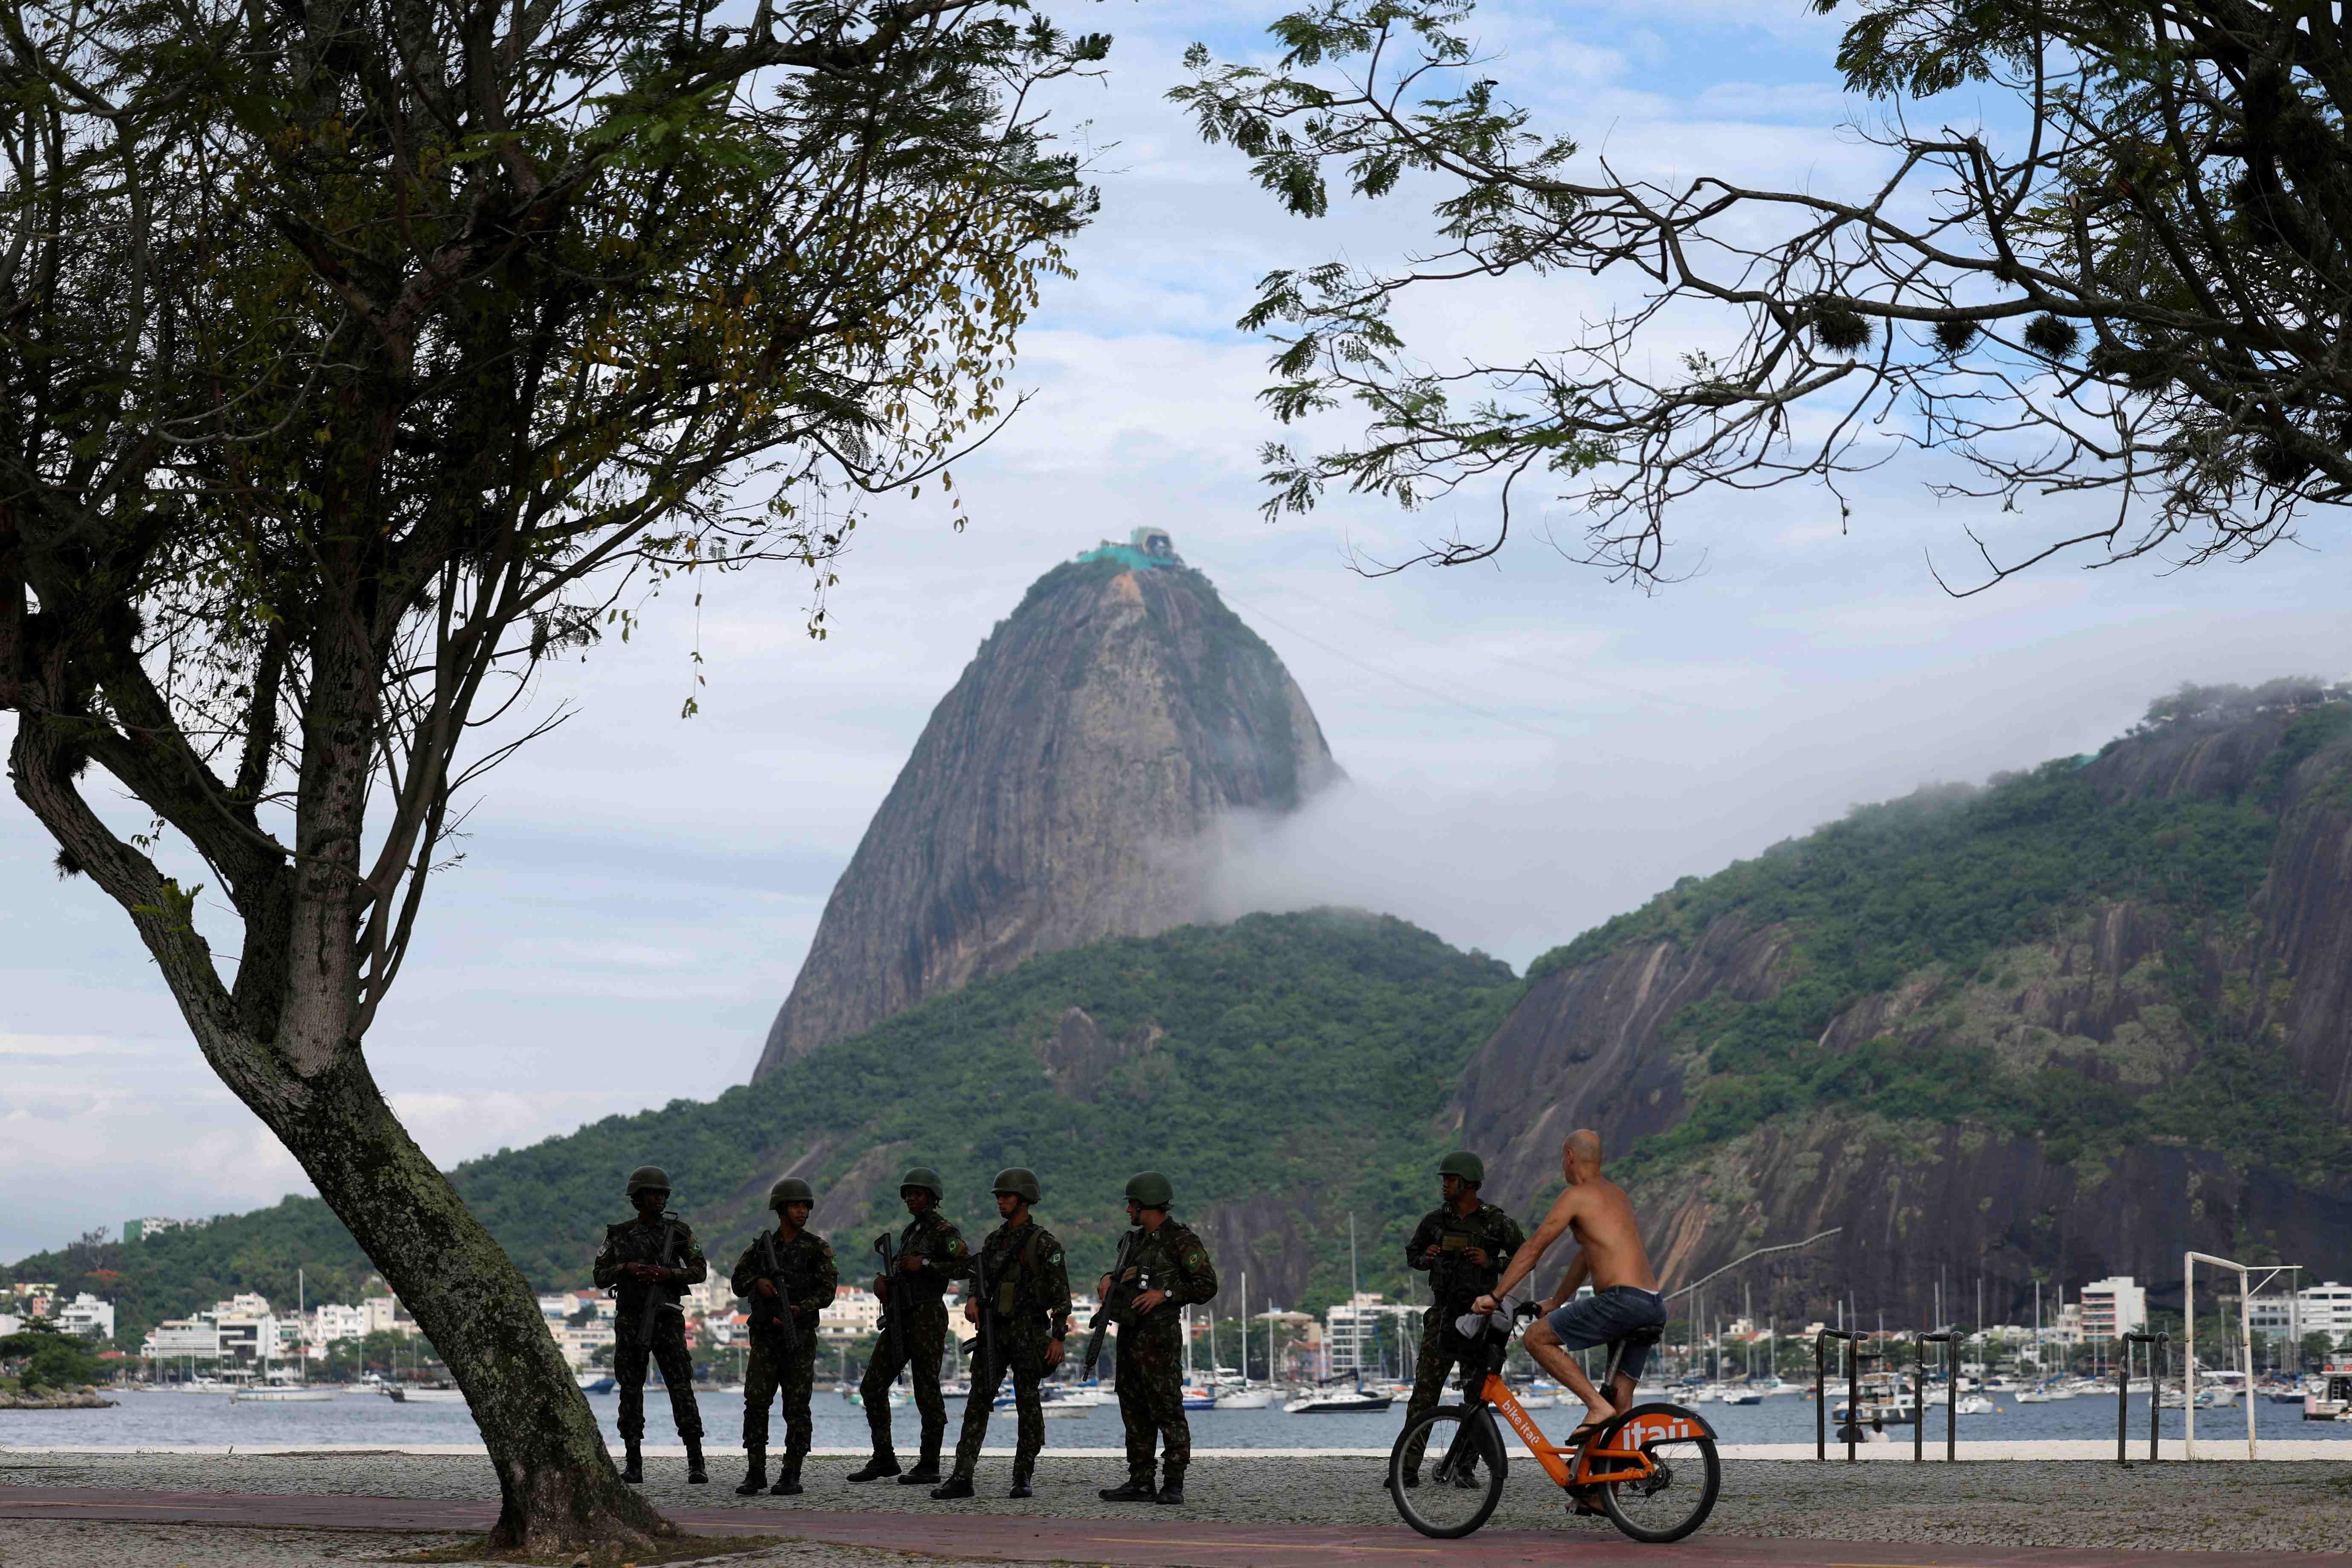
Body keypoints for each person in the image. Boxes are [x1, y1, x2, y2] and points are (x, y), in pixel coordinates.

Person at [1473, 1128, 1664, 1445]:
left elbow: (1534, 1248)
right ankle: (1601, 1493)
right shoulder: (1617, 1196)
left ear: (1570, 1158)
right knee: (1619, 1397)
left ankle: (1594, 1406)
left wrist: (1496, 1296)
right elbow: (1586, 1255)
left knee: (1536, 1339)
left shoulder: (1576, 1196)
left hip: (1622, 1301)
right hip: (1652, 1303)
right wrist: (1557, 1300)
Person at [929, 1167, 1071, 1501]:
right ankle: (962, 1476)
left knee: (1028, 1403)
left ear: (1024, 1200)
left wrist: (1058, 1337)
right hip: (995, 1331)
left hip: (1027, 1330)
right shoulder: (995, 1240)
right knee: (978, 1401)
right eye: (999, 1196)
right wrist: (973, 1298)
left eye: (1006, 1196)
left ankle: (1023, 1476)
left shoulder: (1043, 1242)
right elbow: (979, 1275)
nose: (1001, 1202)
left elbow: (1060, 1294)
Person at [1394, 1151, 1524, 1489]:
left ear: (1468, 1184)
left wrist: (1489, 1263)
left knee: (1475, 1397)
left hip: (1481, 1319)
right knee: (1425, 1394)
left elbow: (1525, 1257)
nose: (1444, 1185)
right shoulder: (1434, 1221)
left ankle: (1463, 1469)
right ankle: (1405, 1471)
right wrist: (1428, 1257)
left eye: (1450, 1180)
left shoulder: (1497, 1223)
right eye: (1444, 1179)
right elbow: (1413, 1254)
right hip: (1442, 1315)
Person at [1093, 1172, 1219, 1507]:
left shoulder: (1181, 1241)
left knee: (1167, 1407)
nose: (1127, 1211)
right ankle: (1140, 1480)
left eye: (1131, 1204)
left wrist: (1165, 1294)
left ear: (1145, 1204)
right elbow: (1122, 1276)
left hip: (1160, 1337)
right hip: (1130, 1334)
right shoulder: (1133, 1243)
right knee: (1133, 1408)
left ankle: (1173, 1482)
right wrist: (1108, 1278)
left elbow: (1207, 1286)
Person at [846, 1166, 969, 1486]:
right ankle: (884, 1458)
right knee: (871, 1386)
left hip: (928, 1315)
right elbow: (903, 1271)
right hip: (902, 1316)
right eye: (908, 1194)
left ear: (931, 1197)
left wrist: (926, 1264)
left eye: (917, 1194)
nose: (911, 1199)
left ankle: (929, 1463)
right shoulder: (910, 1233)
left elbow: (965, 1266)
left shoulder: (944, 1231)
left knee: (926, 1390)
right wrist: (885, 1284)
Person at [591, 1164, 708, 1484]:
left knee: (680, 1386)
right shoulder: (619, 1234)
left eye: (662, 1194)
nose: (659, 1199)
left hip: (667, 1318)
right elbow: (599, 1276)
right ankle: (633, 1461)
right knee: (630, 1389)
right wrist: (626, 1268)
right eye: (652, 1194)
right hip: (631, 1319)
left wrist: (668, 1274)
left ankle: (696, 1461)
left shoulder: (680, 1232)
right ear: (638, 1199)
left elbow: (700, 1271)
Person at [728, 1176, 838, 1497]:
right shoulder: (761, 1248)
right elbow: (737, 1281)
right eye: (795, 1206)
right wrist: (758, 1282)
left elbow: (827, 1292)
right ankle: (755, 1472)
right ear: (781, 1209)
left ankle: (791, 1473)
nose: (802, 1211)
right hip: (764, 1338)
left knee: (797, 1406)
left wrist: (798, 1309)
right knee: (756, 1402)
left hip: (799, 1337)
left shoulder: (817, 1248)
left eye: (805, 1206)